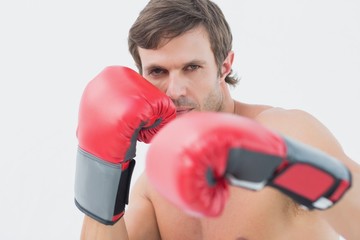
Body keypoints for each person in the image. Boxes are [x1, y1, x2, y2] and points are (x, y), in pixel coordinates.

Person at [75, 0, 360, 239]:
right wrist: (101, 166)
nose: (175, 91)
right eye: (158, 72)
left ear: (224, 66)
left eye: (192, 67)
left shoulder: (284, 132)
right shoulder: (153, 189)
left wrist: (293, 169)